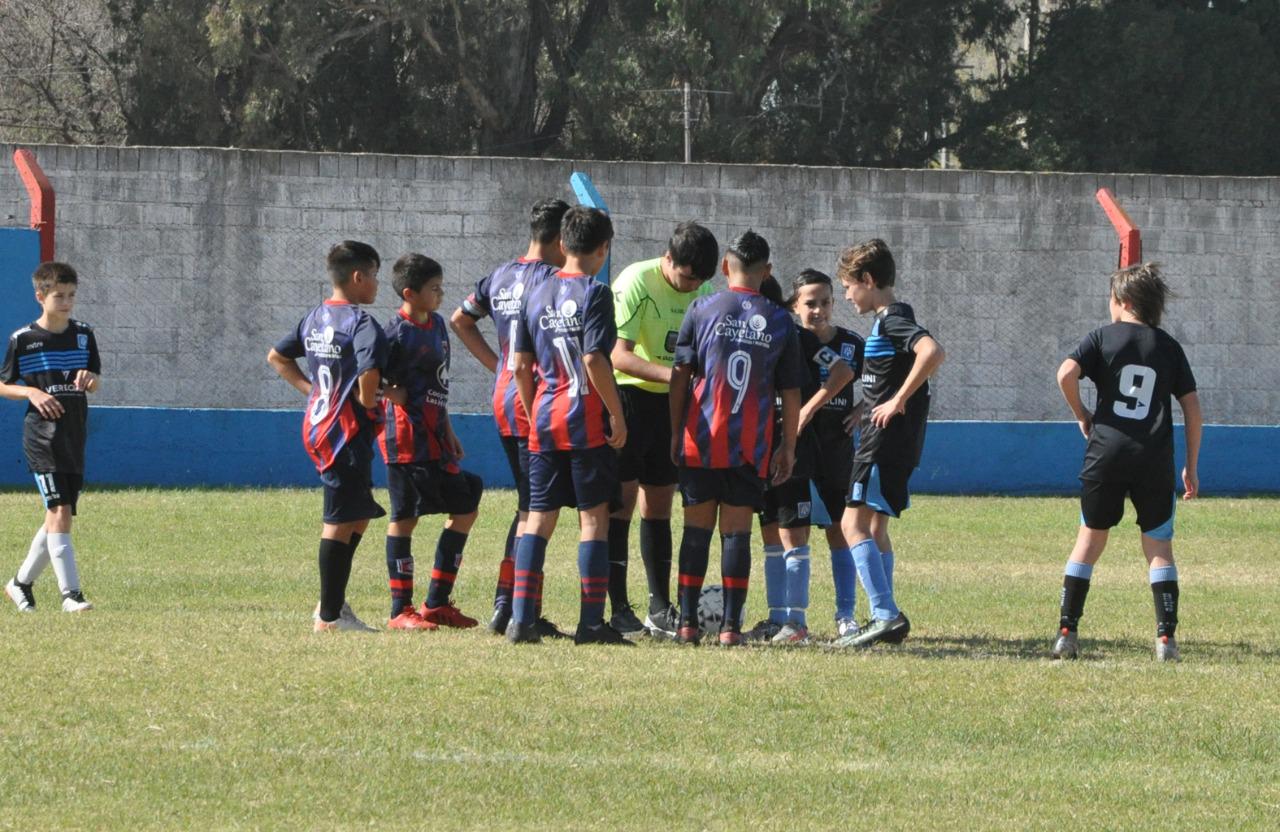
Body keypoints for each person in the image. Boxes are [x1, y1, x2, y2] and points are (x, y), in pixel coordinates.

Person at [1051, 263, 1201, 662]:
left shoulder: (1102, 337)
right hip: (1154, 458)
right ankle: (1166, 639)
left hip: (1106, 453)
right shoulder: (1168, 346)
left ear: (1124, 302)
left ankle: (1067, 632)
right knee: (1158, 548)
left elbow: (1065, 373)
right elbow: (1192, 407)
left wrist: (1082, 412)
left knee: (1089, 541)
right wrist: (1192, 464)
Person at [669, 230, 804, 647]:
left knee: (695, 531)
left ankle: (688, 623)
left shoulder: (701, 307)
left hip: (702, 439)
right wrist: (788, 446)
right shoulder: (781, 320)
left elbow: (680, 375)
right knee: (736, 532)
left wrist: (676, 431)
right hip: (750, 444)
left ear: (725, 267)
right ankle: (729, 628)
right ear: (767, 273)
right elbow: (791, 393)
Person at [508, 206, 631, 646]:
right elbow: (595, 358)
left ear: (562, 245)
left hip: (544, 420)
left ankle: (521, 620)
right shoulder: (596, 293)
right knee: (593, 519)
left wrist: (533, 408)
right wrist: (615, 413)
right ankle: (591, 624)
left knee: (537, 518)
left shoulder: (535, 293)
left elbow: (520, 365)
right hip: (584, 421)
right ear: (604, 249)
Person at [451, 198, 571, 640]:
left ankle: (509, 605)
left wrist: (498, 363)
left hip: (505, 396)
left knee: (528, 504)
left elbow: (460, 319)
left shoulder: (500, 275)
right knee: (538, 509)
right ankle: (518, 608)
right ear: (563, 239)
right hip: (536, 400)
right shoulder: (558, 281)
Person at [606, 221, 719, 639]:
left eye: (701, 280)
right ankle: (617, 606)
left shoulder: (704, 293)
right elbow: (617, 355)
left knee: (659, 506)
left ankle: (659, 607)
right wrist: (674, 376)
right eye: (687, 277)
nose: (693, 288)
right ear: (668, 259)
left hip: (672, 407)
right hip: (629, 400)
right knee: (619, 504)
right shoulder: (637, 280)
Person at [268, 241, 388, 632]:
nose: (375, 284)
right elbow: (370, 372)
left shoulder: (315, 318)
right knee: (339, 520)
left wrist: (315, 393)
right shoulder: (361, 322)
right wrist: (368, 402)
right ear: (358, 277)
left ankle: (331, 600)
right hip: (344, 432)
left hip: (323, 425)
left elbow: (278, 357)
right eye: (373, 276)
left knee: (359, 516)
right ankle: (329, 618)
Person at [833, 239, 945, 648]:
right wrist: (870, 403)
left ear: (868, 279)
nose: (846, 295)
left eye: (849, 285)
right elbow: (892, 374)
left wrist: (896, 401)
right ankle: (887, 616)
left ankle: (884, 613)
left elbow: (932, 351)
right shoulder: (894, 318)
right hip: (898, 441)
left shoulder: (893, 320)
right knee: (875, 525)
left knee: (851, 524)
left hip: (882, 443)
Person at [751, 269, 862, 644]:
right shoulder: (774, 335)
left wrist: (860, 409)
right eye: (810, 303)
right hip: (780, 445)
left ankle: (844, 614)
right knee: (777, 530)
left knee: (837, 529)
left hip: (829, 450)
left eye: (825, 302)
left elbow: (863, 377)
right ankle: (779, 617)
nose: (819, 310)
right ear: (794, 306)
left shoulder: (840, 343)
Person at [378, 254, 485, 631]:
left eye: (441, 287)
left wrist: (449, 430)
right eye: (434, 289)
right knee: (404, 518)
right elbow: (367, 379)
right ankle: (399, 610)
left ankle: (436, 603)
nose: (441, 294)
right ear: (410, 293)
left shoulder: (438, 325)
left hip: (436, 437)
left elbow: (439, 384)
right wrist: (395, 394)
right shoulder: (393, 333)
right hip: (404, 441)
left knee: (468, 501)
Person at [2, 262, 101, 614]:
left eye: (72, 295)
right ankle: (70, 595)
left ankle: (20, 584)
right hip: (41, 438)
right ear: (40, 296)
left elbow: (95, 378)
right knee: (59, 510)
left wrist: (90, 380)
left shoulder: (84, 334)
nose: (67, 302)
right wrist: (31, 394)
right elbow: (3, 384)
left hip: (74, 434)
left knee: (59, 516)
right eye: (59, 296)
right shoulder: (24, 340)